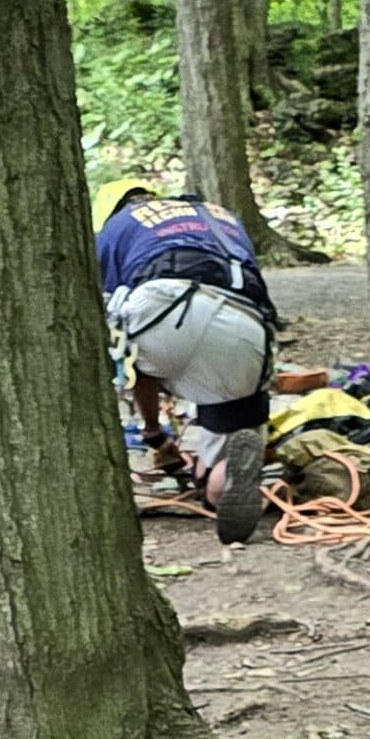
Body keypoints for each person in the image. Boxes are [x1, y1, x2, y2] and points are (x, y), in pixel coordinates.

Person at [94, 180, 276, 546]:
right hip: (246, 327)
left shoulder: (117, 228)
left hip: (162, 308)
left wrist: (156, 435)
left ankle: (153, 435)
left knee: (127, 349)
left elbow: (128, 358)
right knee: (226, 447)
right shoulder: (221, 217)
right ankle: (223, 478)